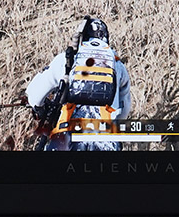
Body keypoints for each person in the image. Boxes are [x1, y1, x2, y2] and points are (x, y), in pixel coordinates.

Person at [26, 17, 131, 151]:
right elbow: (124, 111)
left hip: (65, 139)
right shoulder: (118, 66)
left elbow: (34, 95)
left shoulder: (66, 60)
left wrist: (41, 110)